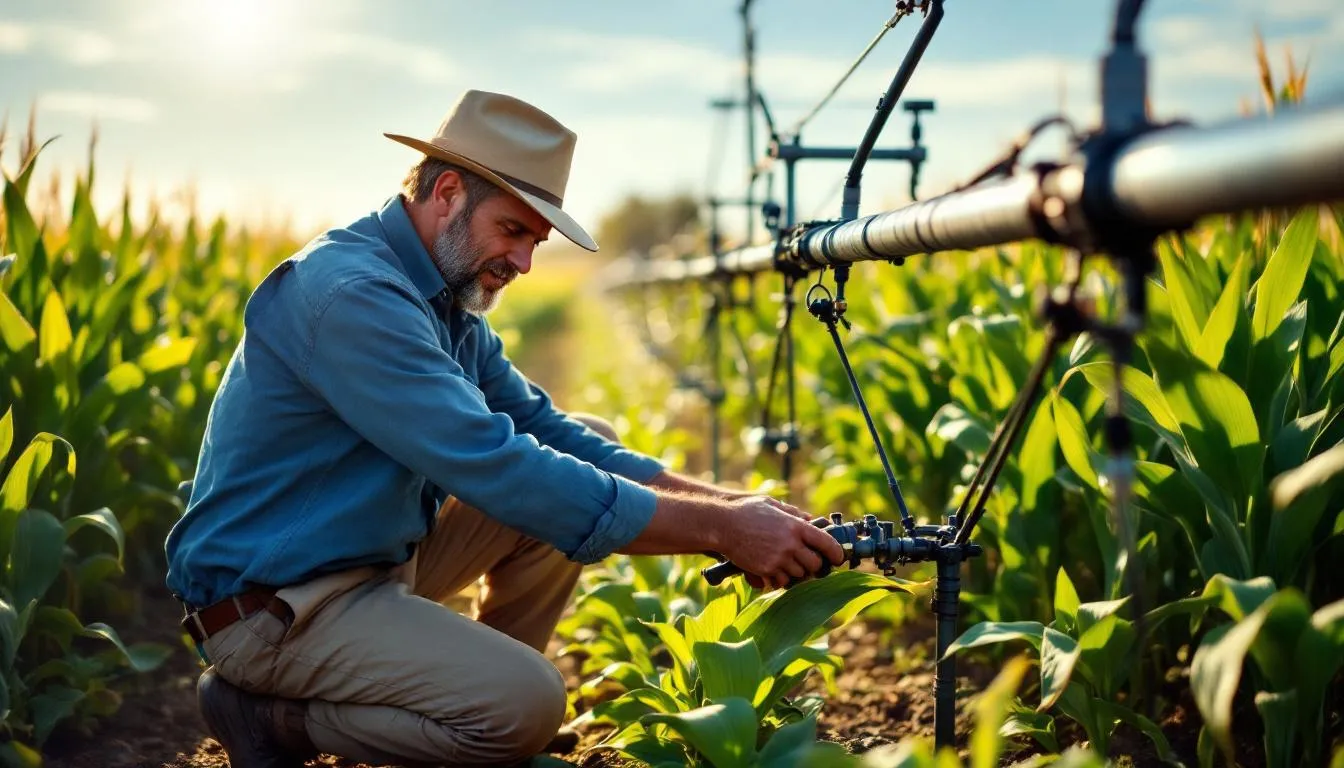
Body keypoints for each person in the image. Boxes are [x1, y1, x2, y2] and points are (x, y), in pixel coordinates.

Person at [163, 89, 845, 768]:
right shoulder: (354, 296)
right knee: (527, 706)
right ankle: (269, 716)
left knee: (586, 434)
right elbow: (497, 465)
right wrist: (721, 532)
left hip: (368, 566)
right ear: (448, 192)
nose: (523, 263)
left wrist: (735, 508)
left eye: (535, 243)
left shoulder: (444, 300)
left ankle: (473, 693)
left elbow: (545, 430)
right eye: (513, 231)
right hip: (274, 610)